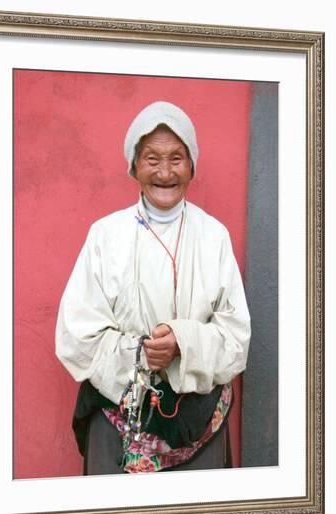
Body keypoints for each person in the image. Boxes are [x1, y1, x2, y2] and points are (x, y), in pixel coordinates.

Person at [55, 101, 251, 475]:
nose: (165, 172)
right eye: (152, 158)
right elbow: (75, 336)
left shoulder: (213, 237)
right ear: (134, 166)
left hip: (198, 423)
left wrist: (182, 343)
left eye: (176, 158)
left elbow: (236, 340)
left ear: (192, 165)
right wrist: (140, 354)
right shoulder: (106, 235)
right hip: (118, 420)